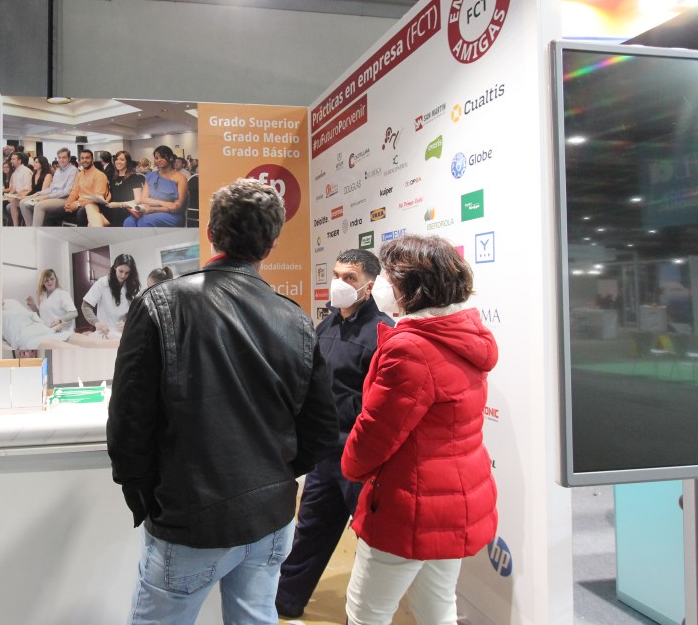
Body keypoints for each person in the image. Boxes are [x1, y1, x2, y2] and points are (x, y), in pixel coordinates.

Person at [107, 178, 338, 625]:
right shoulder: (296, 319)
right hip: (269, 519)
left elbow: (127, 427)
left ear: (210, 232)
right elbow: (321, 432)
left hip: (189, 518)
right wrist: (271, 478)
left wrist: (147, 499)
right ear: (271, 245)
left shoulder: (160, 304)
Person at [341, 234, 499, 625]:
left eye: (389, 277)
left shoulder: (411, 348)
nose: (382, 285)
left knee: (367, 612)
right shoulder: (464, 335)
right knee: (437, 606)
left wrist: (350, 468)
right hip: (455, 500)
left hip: (410, 503)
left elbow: (376, 432)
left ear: (412, 287)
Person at [275, 249, 394, 620]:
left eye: (350, 278)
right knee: (310, 531)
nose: (339, 283)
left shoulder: (384, 333)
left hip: (362, 460)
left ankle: (364, 615)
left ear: (369, 287)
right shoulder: (325, 327)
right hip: (325, 456)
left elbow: (383, 406)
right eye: (337, 275)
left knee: (372, 544)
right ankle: (285, 601)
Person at [123, 145, 187, 227]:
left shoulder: (180, 178)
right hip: (149, 210)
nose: (159, 160)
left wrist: (153, 209)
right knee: (128, 221)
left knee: (145, 221)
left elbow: (176, 207)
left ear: (171, 158)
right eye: (156, 158)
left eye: (162, 157)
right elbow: (144, 199)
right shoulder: (150, 176)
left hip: (171, 214)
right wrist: (164, 203)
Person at [81, 253, 139, 339]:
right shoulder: (102, 283)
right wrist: (96, 322)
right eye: (121, 271)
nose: (123, 276)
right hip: (104, 332)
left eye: (127, 273)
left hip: (123, 332)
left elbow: (133, 311)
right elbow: (86, 306)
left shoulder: (132, 286)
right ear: (115, 268)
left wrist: (127, 322)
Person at [20, 147, 78, 226]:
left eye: (64, 157)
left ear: (69, 158)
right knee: (23, 203)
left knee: (39, 205)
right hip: (53, 196)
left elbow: (67, 191)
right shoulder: (58, 171)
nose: (61, 160)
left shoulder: (73, 170)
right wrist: (38, 193)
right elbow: (51, 189)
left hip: (64, 199)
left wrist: (47, 197)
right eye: (59, 157)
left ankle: (36, 231)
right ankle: (30, 229)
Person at [63, 149, 111, 227]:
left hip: (94, 205)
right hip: (79, 203)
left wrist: (78, 205)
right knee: (59, 210)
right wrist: (68, 204)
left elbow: (98, 198)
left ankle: (83, 235)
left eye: (87, 158)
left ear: (92, 159)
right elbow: (74, 192)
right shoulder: (79, 175)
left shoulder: (99, 175)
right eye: (82, 158)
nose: (84, 160)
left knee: (81, 212)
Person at [99, 150, 145, 227]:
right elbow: (111, 196)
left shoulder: (134, 178)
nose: (118, 162)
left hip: (126, 210)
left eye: (122, 160)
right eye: (116, 159)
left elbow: (138, 200)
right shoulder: (113, 178)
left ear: (127, 162)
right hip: (112, 209)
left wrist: (119, 205)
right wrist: (103, 200)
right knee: (91, 221)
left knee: (95, 224)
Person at [25, 269, 77, 334]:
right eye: (46, 280)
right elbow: (41, 315)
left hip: (63, 332)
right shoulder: (42, 296)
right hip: (48, 332)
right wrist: (33, 305)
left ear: (56, 280)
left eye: (52, 279)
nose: (49, 282)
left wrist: (60, 320)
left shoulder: (63, 294)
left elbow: (74, 313)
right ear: (43, 283)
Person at [5, 151, 33, 226]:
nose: (11, 161)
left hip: (26, 195)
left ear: (19, 161)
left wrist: (16, 196)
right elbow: (14, 188)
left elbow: (27, 189)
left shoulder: (26, 171)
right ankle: (14, 226)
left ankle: (16, 226)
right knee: (5, 202)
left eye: (13, 159)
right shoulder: (15, 173)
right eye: (11, 159)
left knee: (10, 205)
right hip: (18, 196)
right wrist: (7, 196)